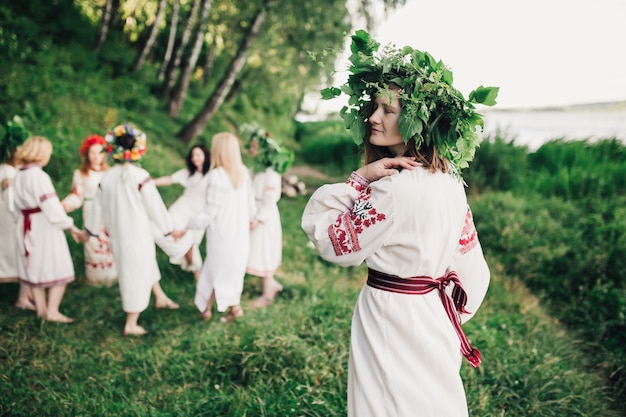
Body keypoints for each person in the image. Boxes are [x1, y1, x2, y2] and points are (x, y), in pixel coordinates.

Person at [301, 30, 498, 417]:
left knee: (386, 403)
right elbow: (474, 270)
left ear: (417, 121)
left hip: (390, 313)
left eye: (387, 111)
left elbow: (331, 241)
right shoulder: (450, 183)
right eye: (374, 108)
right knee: (432, 402)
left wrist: (360, 179)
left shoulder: (392, 191)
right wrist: (450, 314)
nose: (373, 117)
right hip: (432, 314)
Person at [85, 124, 180, 336]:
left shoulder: (106, 178)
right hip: (137, 234)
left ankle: (160, 297)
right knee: (134, 275)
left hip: (117, 235)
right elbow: (155, 206)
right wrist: (168, 229)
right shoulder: (140, 176)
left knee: (143, 266)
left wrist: (90, 231)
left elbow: (96, 207)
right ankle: (131, 323)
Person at [173, 132, 256, 323]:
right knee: (228, 271)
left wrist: (187, 226)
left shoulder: (217, 176)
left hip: (223, 234)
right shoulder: (243, 172)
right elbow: (251, 203)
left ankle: (216, 308)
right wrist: (252, 218)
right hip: (240, 234)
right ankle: (221, 308)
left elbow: (209, 211)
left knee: (216, 271)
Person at [13, 136, 87, 323]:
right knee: (58, 267)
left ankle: (41, 310)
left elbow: (13, 207)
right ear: (41, 154)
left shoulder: (18, 175)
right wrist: (71, 226)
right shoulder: (38, 176)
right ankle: (52, 311)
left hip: (25, 224)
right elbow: (52, 209)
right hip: (43, 225)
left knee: (35, 268)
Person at [241, 125, 294, 307]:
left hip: (264, 216)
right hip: (252, 209)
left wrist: (258, 217)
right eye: (251, 146)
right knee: (254, 249)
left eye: (255, 146)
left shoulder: (271, 172)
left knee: (263, 250)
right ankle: (269, 284)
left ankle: (267, 291)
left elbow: (270, 198)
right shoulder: (254, 169)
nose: (251, 150)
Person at [61, 134, 117, 286]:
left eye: (99, 152)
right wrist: (62, 206)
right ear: (86, 154)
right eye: (92, 153)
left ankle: (112, 278)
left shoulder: (111, 172)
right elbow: (77, 196)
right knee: (92, 241)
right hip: (91, 209)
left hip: (108, 211)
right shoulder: (80, 173)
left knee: (110, 242)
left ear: (105, 154)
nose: (95, 156)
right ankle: (95, 280)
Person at [152, 144, 211, 278]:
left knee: (190, 241)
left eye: (198, 155)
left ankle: (195, 270)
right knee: (170, 230)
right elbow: (170, 179)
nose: (195, 158)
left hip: (198, 212)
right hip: (182, 207)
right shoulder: (189, 173)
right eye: (193, 155)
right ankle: (167, 255)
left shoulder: (212, 176)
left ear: (205, 156)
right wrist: (150, 183)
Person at [0, 116, 34, 310]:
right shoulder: (8, 173)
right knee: (24, 255)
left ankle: (24, 297)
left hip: (9, 220)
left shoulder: (9, 170)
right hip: (10, 221)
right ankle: (23, 298)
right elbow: (10, 199)